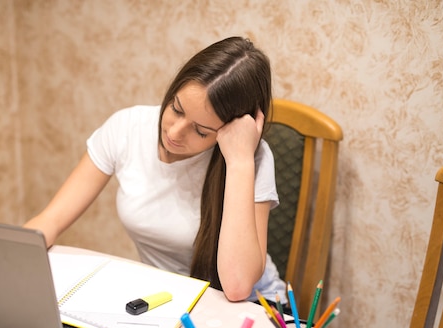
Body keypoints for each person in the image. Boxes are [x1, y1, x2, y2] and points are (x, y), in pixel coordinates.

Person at [25, 36, 287, 305]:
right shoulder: (128, 128)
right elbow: (50, 221)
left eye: (200, 131)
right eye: (176, 108)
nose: (174, 132)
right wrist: (5, 260)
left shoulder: (251, 158)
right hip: (166, 301)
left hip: (250, 308)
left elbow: (237, 286)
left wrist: (239, 161)